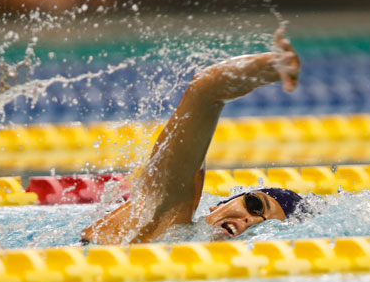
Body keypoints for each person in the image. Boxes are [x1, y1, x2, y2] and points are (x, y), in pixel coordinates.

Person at [80, 28, 302, 245]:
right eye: (255, 205)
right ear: (217, 206)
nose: (251, 220)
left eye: (268, 228)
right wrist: (269, 67)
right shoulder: (165, 215)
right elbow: (205, 90)